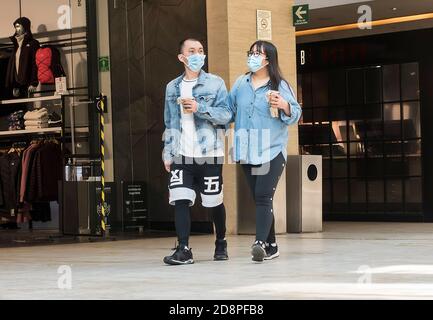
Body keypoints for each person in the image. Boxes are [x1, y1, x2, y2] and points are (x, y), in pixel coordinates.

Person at [229, 40, 302, 262]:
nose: (252, 56)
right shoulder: (241, 83)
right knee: (260, 198)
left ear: (268, 59)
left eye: (257, 53)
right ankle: (271, 245)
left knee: (263, 195)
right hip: (246, 150)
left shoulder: (280, 85)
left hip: (271, 150)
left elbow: (296, 113)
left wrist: (284, 105)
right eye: (250, 52)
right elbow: (229, 109)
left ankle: (259, 243)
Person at [162, 38, 233, 265]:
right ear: (181, 57)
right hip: (181, 154)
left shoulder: (215, 83)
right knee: (180, 199)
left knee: (213, 202)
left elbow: (226, 115)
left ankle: (220, 241)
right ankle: (183, 248)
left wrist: (199, 107)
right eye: (191, 51)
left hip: (209, 153)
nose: (197, 54)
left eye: (201, 50)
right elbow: (169, 122)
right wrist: (168, 151)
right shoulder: (172, 87)